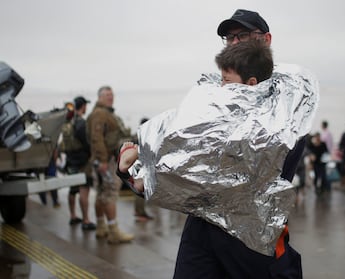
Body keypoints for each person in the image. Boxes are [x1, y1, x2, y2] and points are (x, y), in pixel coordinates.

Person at [119, 11, 304, 278]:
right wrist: (141, 165)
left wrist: (149, 176)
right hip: (202, 230)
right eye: (229, 37)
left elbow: (236, 171)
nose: (234, 42)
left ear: (266, 39)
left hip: (251, 240)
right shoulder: (214, 93)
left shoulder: (288, 105)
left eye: (243, 36)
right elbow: (181, 137)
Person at [86, 86, 134, 244]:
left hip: (101, 160)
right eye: (107, 95)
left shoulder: (102, 113)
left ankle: (101, 227)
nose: (110, 97)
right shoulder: (100, 114)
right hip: (107, 160)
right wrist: (103, 160)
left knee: (101, 193)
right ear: (99, 97)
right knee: (110, 193)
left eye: (112, 94)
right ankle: (114, 231)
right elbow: (96, 138)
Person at [63, 96, 96, 230]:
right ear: (82, 107)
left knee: (72, 189)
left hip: (70, 159)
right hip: (82, 160)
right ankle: (86, 220)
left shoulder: (67, 121)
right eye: (85, 105)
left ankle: (72, 216)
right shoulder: (81, 123)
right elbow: (86, 142)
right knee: (84, 189)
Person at [134, 117, 154, 222]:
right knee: (141, 190)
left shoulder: (137, 135)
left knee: (139, 189)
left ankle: (139, 211)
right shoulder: (144, 136)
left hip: (137, 166)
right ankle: (140, 213)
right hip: (142, 167)